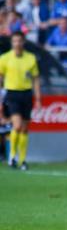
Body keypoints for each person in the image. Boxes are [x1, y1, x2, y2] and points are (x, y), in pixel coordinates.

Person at [0, 32, 41, 170]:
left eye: (19, 41)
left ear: (23, 42)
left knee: (24, 129)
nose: (17, 43)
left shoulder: (30, 58)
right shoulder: (4, 58)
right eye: (15, 41)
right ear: (12, 43)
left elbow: (35, 79)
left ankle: (22, 160)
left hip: (26, 94)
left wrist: (38, 98)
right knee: (16, 125)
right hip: (12, 93)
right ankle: (12, 156)